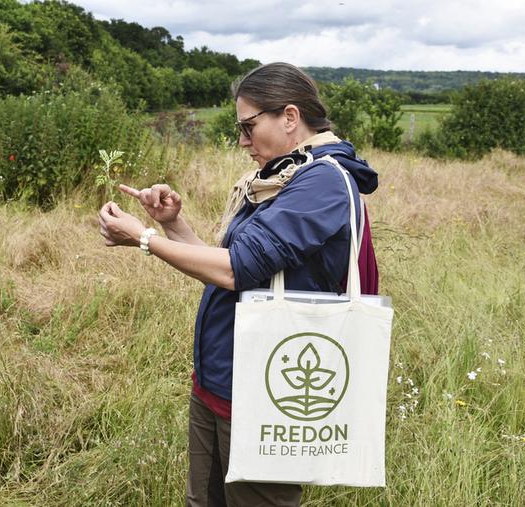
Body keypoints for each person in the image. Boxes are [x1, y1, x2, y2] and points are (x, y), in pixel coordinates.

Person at [98, 62, 379, 506]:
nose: (243, 142)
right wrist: (173, 225)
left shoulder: (321, 181)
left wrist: (143, 238)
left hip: (267, 389)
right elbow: (234, 273)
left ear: (290, 117)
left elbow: (233, 269)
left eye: (249, 127)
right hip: (221, 380)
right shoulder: (281, 176)